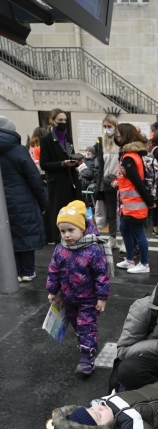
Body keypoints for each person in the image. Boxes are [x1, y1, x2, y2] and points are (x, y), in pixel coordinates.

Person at [46, 200, 112, 375]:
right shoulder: (60, 249)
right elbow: (53, 270)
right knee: (76, 323)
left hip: (88, 299)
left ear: (82, 228)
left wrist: (102, 297)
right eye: (63, 231)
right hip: (68, 297)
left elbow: (101, 275)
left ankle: (87, 357)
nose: (67, 235)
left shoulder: (92, 249)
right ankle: (85, 340)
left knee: (86, 325)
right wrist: (52, 290)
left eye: (71, 230)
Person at [0, 116, 47, 282]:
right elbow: (34, 178)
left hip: (2, 201)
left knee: (9, 234)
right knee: (26, 232)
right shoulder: (18, 149)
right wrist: (43, 202)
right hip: (23, 198)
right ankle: (28, 271)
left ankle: (16, 272)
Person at [115, 123, 155, 274]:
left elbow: (138, 181)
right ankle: (130, 259)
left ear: (125, 136)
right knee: (124, 228)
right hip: (130, 203)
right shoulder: (130, 155)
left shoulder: (129, 157)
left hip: (135, 203)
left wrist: (149, 201)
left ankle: (144, 264)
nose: (116, 137)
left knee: (138, 232)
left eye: (118, 134)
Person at [40, 109, 82, 243]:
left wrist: (76, 161)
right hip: (57, 184)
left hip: (71, 182)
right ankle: (60, 247)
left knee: (73, 216)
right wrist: (62, 163)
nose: (63, 123)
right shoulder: (46, 139)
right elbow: (44, 164)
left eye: (65, 120)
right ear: (52, 121)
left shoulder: (67, 137)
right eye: (60, 120)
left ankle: (75, 244)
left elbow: (71, 154)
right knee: (60, 216)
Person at [93, 115, 120, 250]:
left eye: (109, 126)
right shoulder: (101, 143)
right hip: (106, 183)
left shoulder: (120, 143)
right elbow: (100, 165)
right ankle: (112, 238)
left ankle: (126, 241)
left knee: (122, 214)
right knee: (110, 214)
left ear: (115, 127)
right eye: (104, 126)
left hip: (119, 182)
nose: (106, 129)